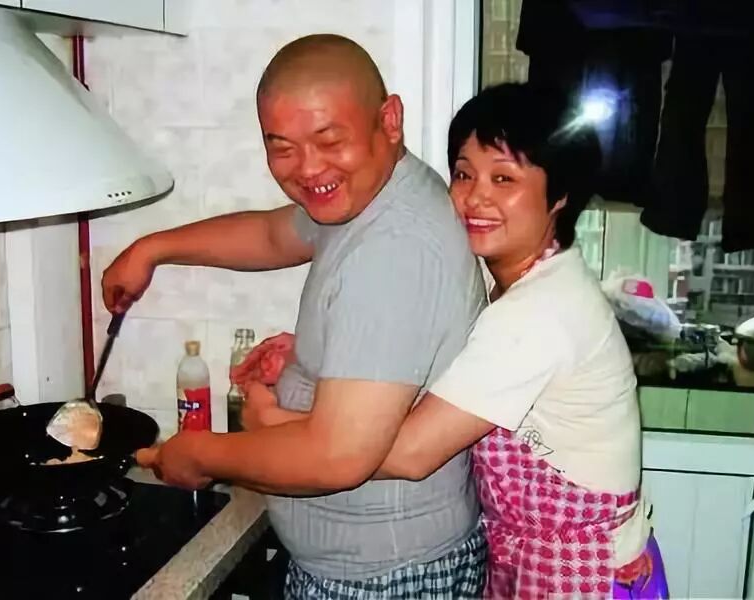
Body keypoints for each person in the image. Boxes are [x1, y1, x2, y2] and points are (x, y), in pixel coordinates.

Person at [237, 83, 669, 599]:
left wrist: (272, 420)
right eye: (464, 174)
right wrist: (320, 352)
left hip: (582, 576)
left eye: (504, 178)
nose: (475, 197)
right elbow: (457, 367)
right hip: (538, 560)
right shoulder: (526, 281)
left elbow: (411, 453)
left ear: (560, 196)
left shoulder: (540, 312)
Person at [103, 34, 488, 598]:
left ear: (389, 120)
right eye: (282, 147)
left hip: (385, 579)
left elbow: (338, 456)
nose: (308, 168)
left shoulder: (395, 247)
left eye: (329, 140)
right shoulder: (373, 192)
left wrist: (202, 453)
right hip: (371, 566)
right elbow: (270, 235)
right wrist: (151, 249)